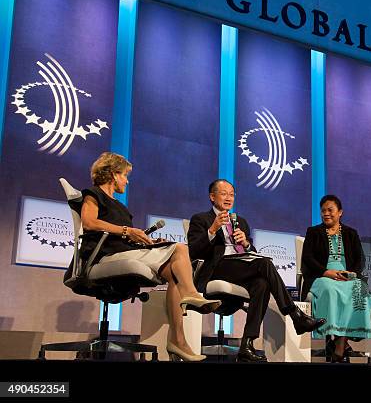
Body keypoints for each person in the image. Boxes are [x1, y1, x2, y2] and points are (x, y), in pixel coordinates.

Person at [78, 152, 220, 362]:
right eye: (125, 175)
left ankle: (178, 341)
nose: (127, 180)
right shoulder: (93, 194)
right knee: (180, 248)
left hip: (124, 252)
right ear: (113, 174)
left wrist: (148, 242)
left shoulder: (120, 206)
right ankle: (191, 294)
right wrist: (127, 231)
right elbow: (89, 222)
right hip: (104, 257)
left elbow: (123, 238)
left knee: (174, 272)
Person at [187, 179, 326, 362]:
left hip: (238, 267)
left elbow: (250, 254)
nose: (229, 198)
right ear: (212, 197)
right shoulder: (200, 219)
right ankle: (295, 315)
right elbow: (193, 251)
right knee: (265, 263)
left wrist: (245, 243)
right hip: (216, 269)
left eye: (231, 194)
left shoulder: (240, 221)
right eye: (223, 193)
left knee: (261, 284)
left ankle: (246, 345)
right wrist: (213, 229)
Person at [300, 195, 371, 363]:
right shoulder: (313, 232)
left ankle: (339, 344)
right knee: (331, 289)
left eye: (330, 210)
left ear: (340, 212)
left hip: (347, 276)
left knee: (359, 291)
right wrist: (327, 272)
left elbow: (359, 259)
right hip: (321, 276)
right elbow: (308, 259)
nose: (326, 213)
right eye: (323, 211)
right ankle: (336, 342)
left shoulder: (351, 233)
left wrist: (349, 274)